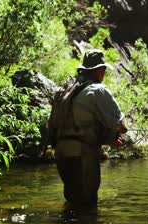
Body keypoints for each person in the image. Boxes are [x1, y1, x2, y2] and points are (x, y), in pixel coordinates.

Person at [48, 49, 127, 207]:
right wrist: (115, 133)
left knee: (72, 202)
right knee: (87, 205)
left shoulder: (64, 91)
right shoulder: (98, 90)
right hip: (83, 155)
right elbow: (122, 126)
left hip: (62, 153)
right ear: (99, 70)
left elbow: (55, 126)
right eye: (104, 69)